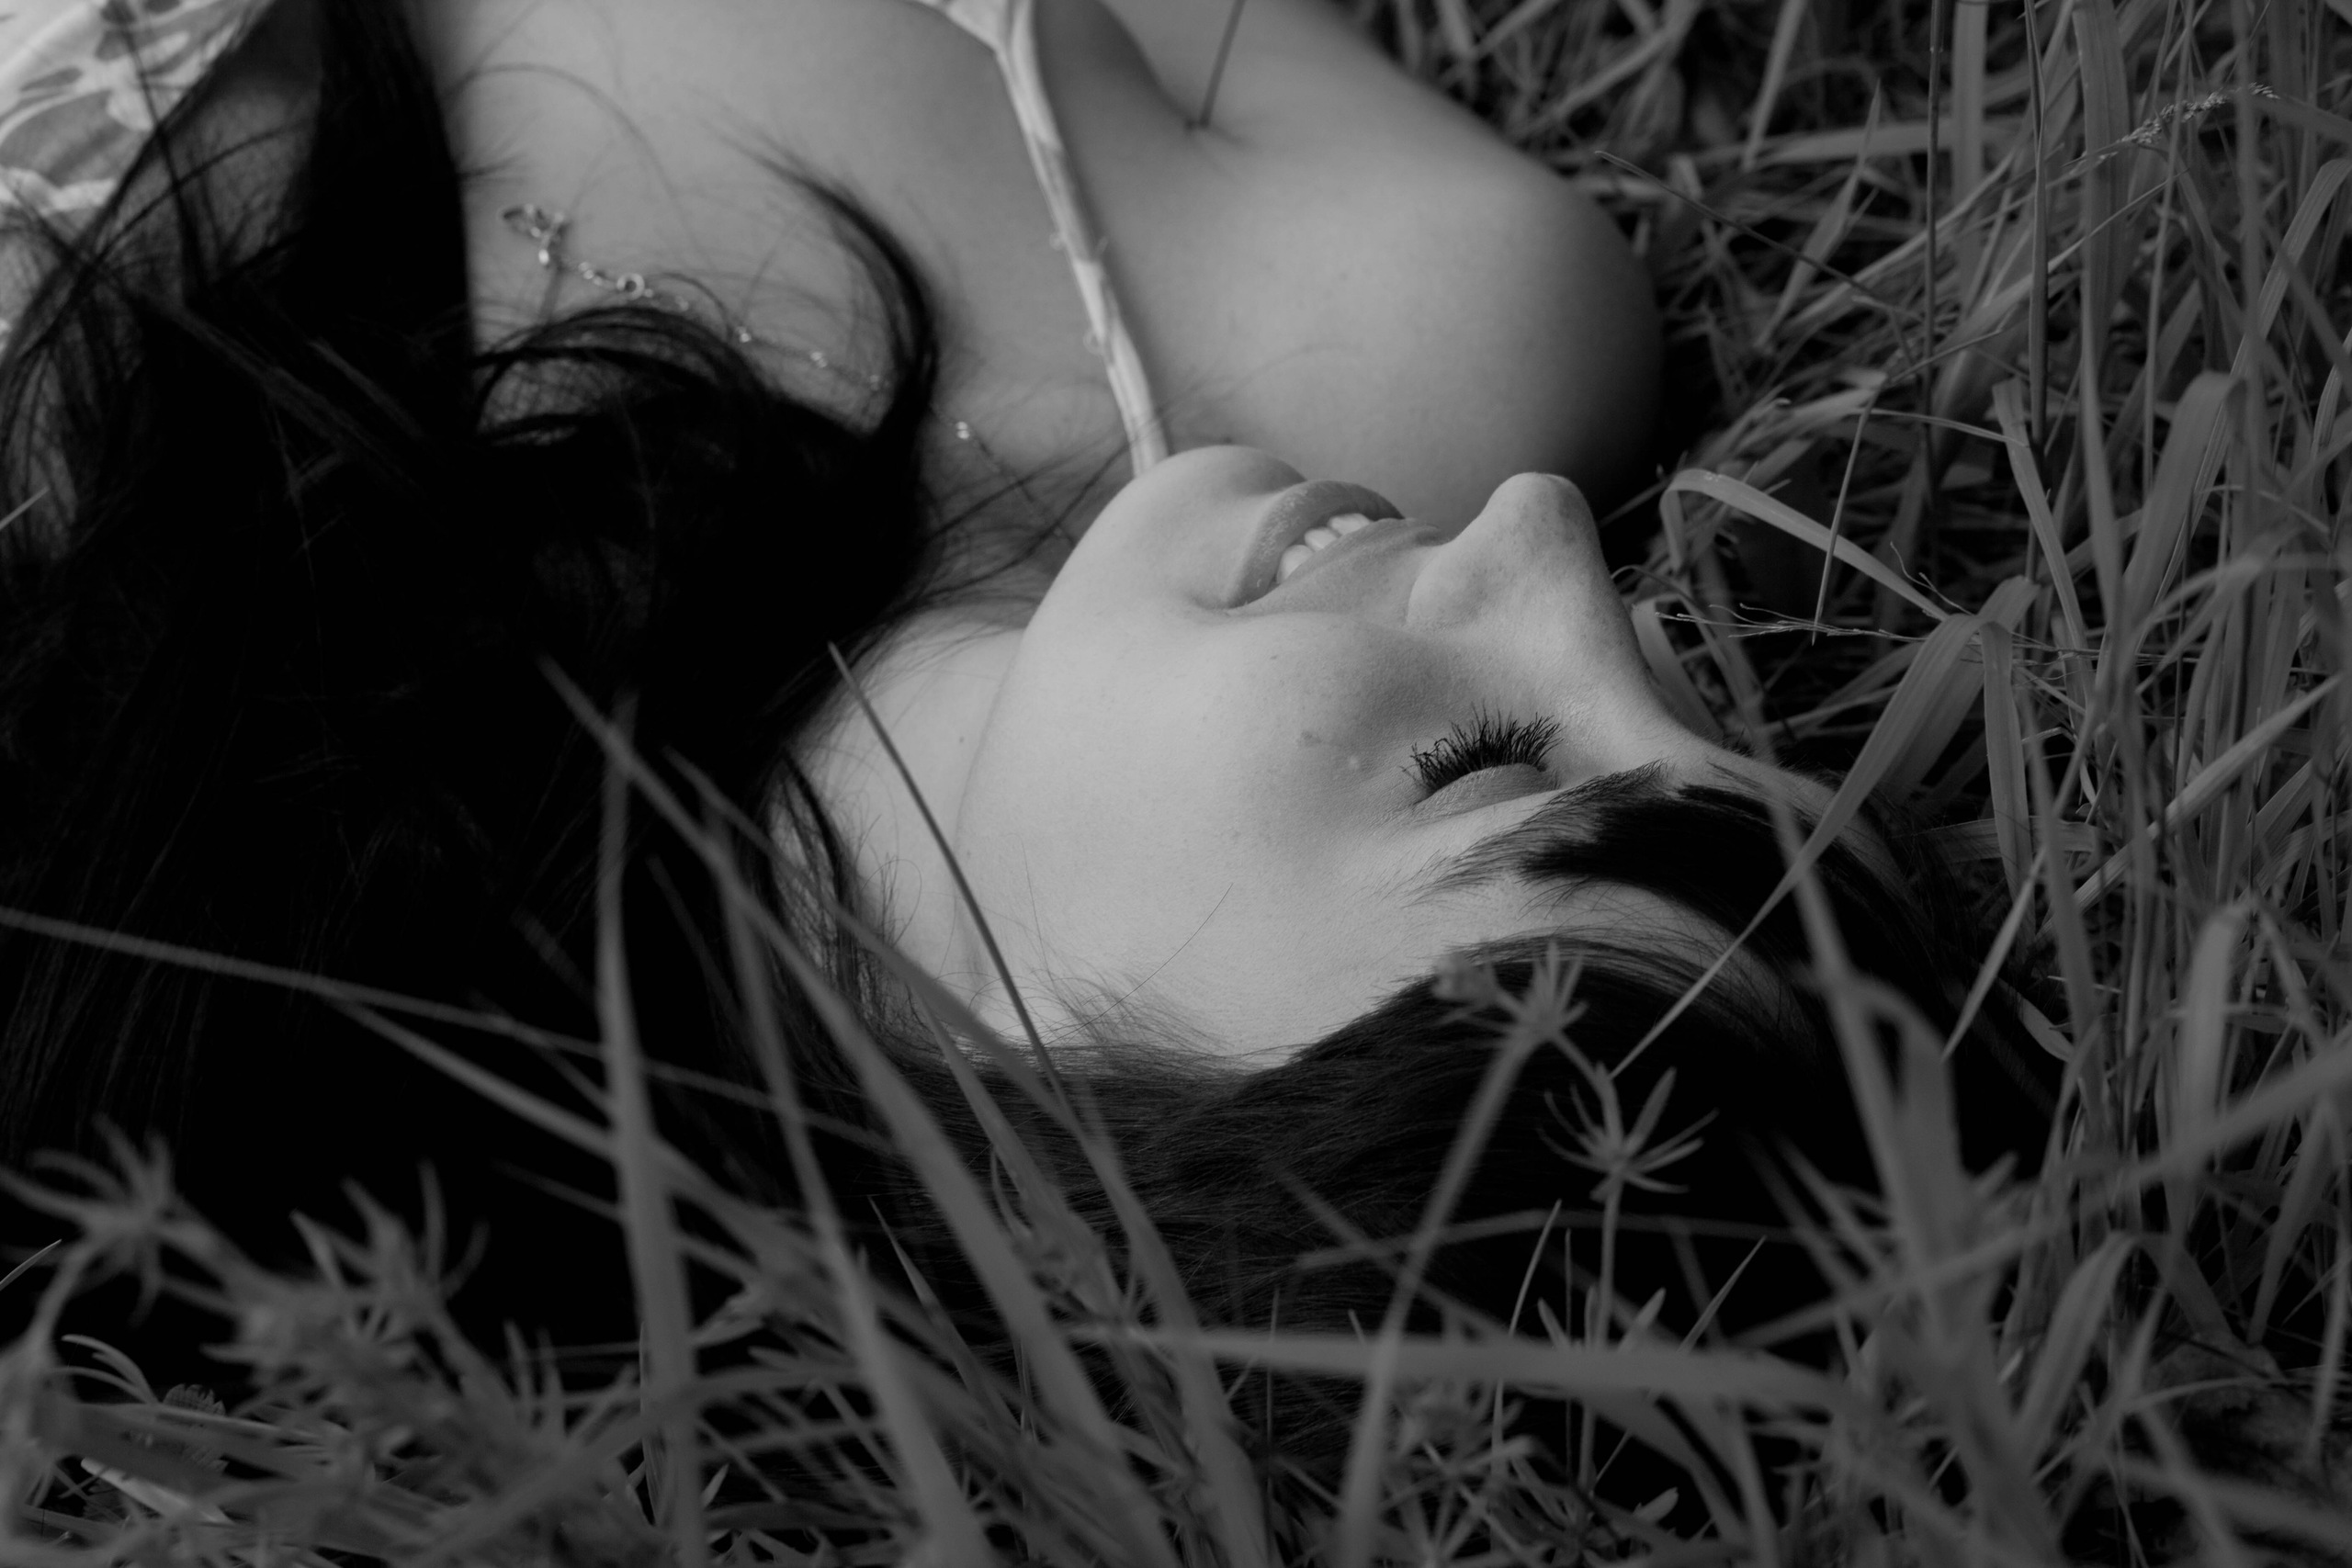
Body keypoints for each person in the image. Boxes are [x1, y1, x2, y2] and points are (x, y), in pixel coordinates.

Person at [0, 0, 2052, 1480]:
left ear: (1087, 1167)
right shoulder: (1412, 321)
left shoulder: (135, 929)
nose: (1543, 545)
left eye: (1488, 767)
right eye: (1687, 698)